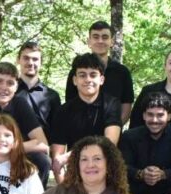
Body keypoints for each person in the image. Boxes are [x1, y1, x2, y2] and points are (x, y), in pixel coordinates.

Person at [50, 53, 122, 183]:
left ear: (101, 80)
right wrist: (64, 191)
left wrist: (70, 155)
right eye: (82, 75)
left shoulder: (112, 104)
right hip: (76, 170)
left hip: (105, 170)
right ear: (75, 80)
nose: (88, 79)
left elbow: (109, 144)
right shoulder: (63, 111)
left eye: (93, 75)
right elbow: (57, 159)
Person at [65, 20, 134, 124]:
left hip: (113, 134)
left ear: (112, 41)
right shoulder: (76, 72)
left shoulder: (122, 72)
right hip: (81, 134)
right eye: (96, 37)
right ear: (89, 41)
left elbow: (126, 107)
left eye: (105, 37)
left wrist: (115, 128)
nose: (100, 41)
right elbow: (70, 104)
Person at [16, 41, 61, 142]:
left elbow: (57, 133)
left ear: (41, 63)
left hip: (41, 152)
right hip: (11, 151)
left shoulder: (52, 96)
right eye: (26, 58)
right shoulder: (9, 92)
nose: (30, 63)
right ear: (18, 60)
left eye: (35, 59)